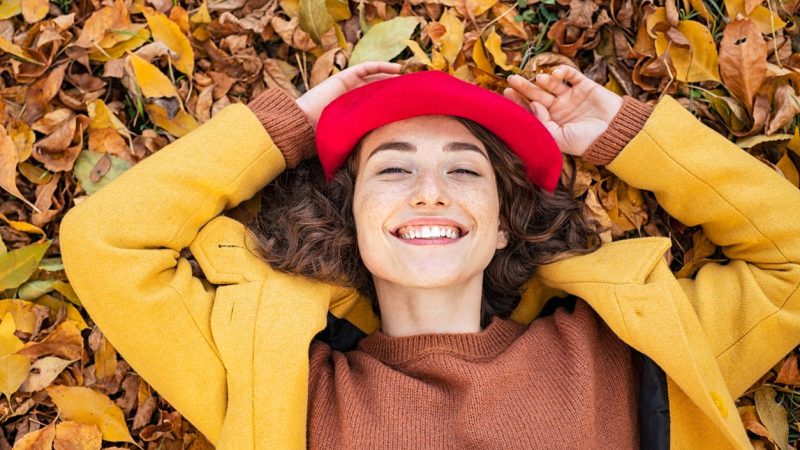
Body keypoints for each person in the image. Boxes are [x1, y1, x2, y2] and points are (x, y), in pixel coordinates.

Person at [58, 61, 800, 449]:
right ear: (350, 219)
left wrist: (627, 135)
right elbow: (107, 242)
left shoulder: (627, 351)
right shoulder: (278, 379)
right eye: (392, 169)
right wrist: (291, 126)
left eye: (465, 170)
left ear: (504, 225)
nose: (430, 192)